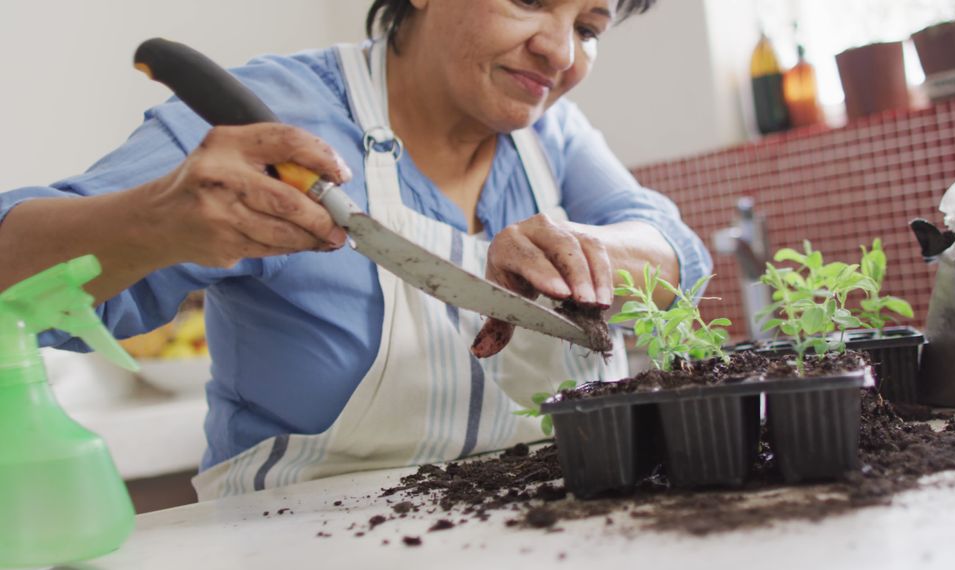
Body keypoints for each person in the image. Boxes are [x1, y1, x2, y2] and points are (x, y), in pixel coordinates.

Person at [0, 0, 711, 499]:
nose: (560, 52)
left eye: (588, 27)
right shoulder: (275, 117)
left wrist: (594, 251)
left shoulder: (552, 141)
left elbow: (675, 247)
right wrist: (153, 219)